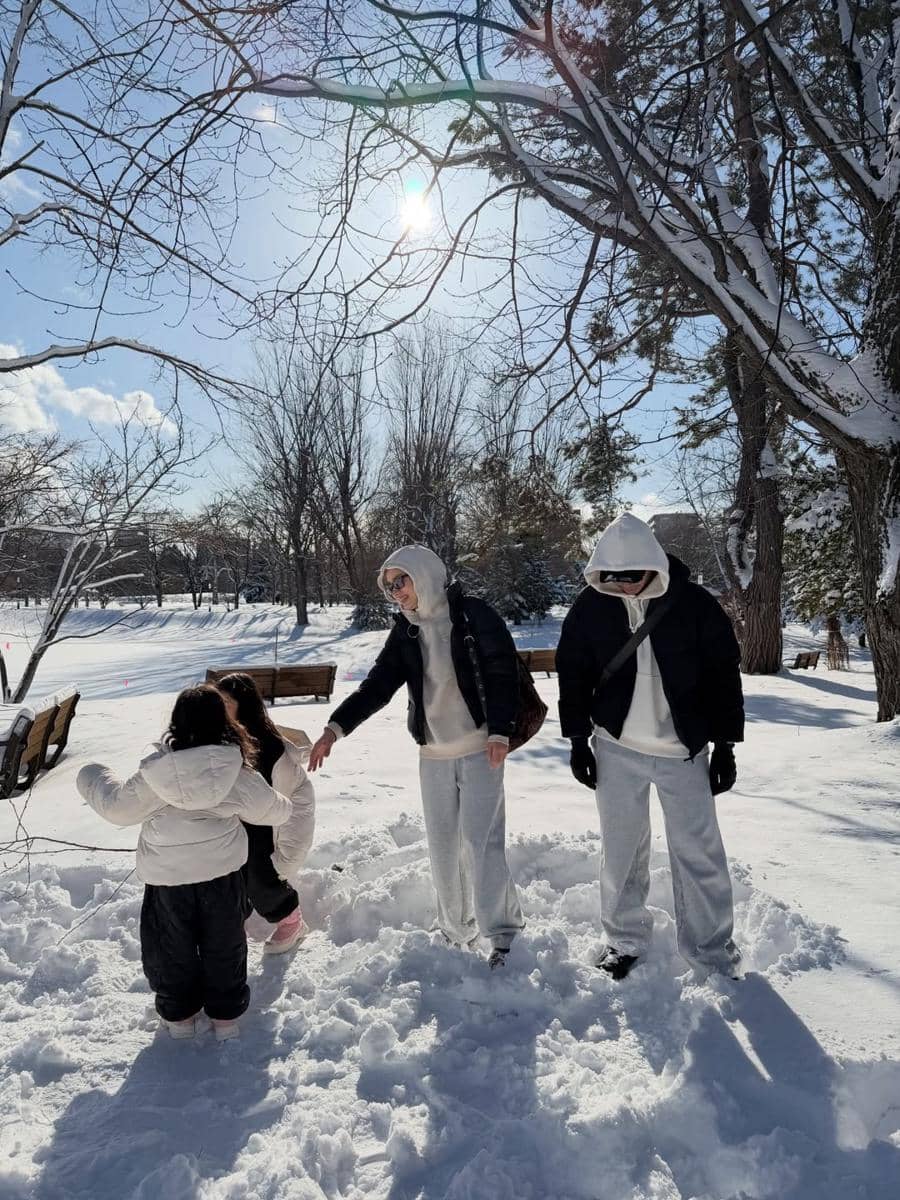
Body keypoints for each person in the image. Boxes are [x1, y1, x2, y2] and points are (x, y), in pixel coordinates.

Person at [307, 544, 525, 968]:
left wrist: (500, 730)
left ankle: (503, 933)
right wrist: (335, 729)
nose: (395, 592)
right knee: (444, 847)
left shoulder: (473, 615)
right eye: (388, 586)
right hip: (434, 755)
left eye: (400, 581)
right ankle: (456, 928)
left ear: (424, 574)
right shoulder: (406, 631)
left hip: (483, 748)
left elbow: (502, 671)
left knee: (482, 844)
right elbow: (377, 686)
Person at [556, 512, 743, 981]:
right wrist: (578, 740)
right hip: (616, 747)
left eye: (631, 577)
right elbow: (573, 673)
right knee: (620, 850)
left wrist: (725, 746)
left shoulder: (696, 605)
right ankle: (623, 940)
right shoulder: (591, 606)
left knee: (698, 853)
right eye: (611, 578)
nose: (622, 587)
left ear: (653, 566)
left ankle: (712, 952)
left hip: (683, 751)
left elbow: (723, 677)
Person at [76, 685, 291, 1040]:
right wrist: (279, 796)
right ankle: (226, 1020)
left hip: (167, 881)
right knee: (225, 944)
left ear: (176, 722)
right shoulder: (234, 771)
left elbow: (117, 808)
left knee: (169, 946)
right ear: (223, 721)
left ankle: (180, 1020)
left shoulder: (157, 774)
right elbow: (275, 810)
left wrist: (92, 776)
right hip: (223, 877)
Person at [216, 672, 315, 954]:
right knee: (226, 866)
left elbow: (278, 804)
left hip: (278, 820)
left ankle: (291, 920)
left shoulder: (267, 747)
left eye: (225, 702)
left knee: (258, 871)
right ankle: (234, 917)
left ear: (243, 705)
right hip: (250, 818)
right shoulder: (228, 735)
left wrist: (282, 857)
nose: (219, 708)